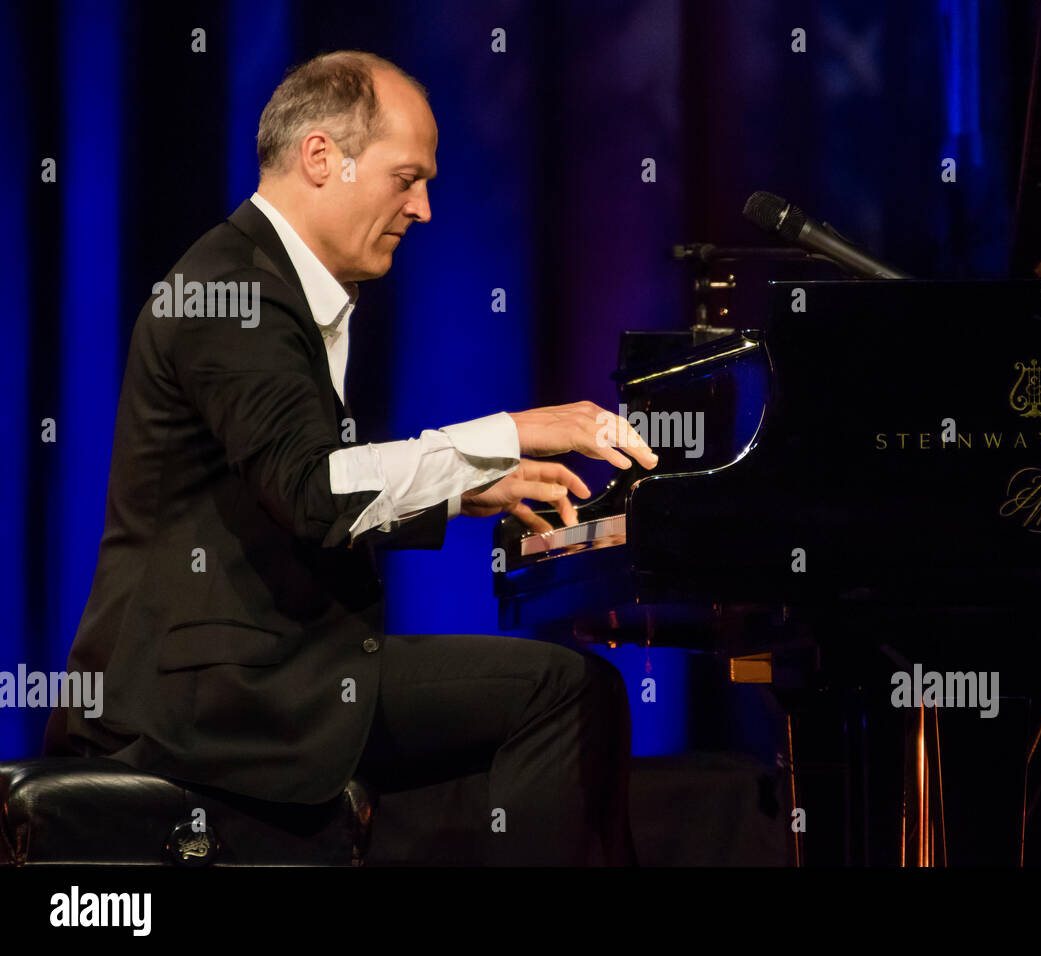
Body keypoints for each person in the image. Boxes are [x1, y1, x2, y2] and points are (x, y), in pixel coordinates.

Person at [43, 49, 657, 866]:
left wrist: (469, 489)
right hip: (207, 697)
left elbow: (297, 484)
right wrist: (506, 432)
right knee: (563, 694)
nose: (425, 207)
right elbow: (314, 490)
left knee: (531, 720)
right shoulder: (234, 291)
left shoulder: (273, 284)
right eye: (408, 178)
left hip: (263, 678)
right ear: (322, 157)